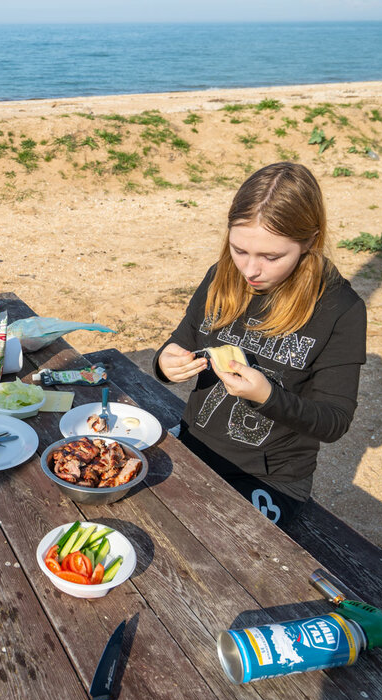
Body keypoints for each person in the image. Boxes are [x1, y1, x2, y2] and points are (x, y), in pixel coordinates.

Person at [154, 162, 366, 529]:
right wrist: (164, 363)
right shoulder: (222, 276)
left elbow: (334, 422)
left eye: (271, 257)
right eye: (239, 250)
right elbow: (181, 341)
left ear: (310, 241)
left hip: (270, 477)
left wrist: (269, 396)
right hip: (193, 445)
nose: (250, 270)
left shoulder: (340, 309)